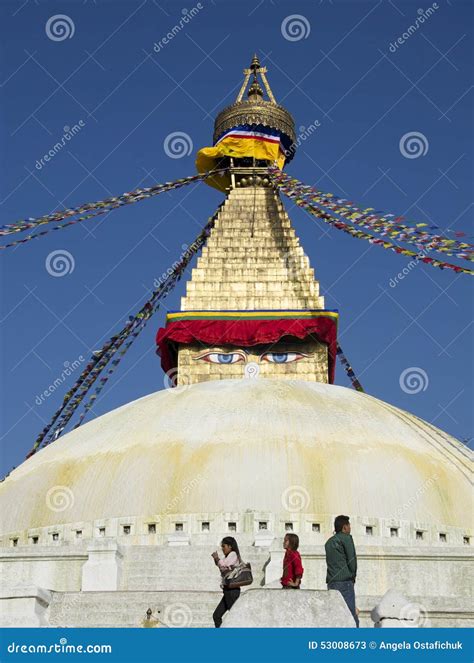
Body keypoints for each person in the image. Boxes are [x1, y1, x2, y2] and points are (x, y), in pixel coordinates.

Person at [325, 514, 359, 627]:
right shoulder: (346, 538)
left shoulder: (328, 542)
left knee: (335, 613)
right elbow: (352, 560)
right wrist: (353, 576)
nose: (350, 528)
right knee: (350, 613)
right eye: (349, 526)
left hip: (332, 582)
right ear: (344, 527)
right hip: (345, 582)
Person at [211, 536, 242, 627]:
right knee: (216, 615)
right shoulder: (228, 556)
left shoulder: (233, 554)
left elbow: (223, 564)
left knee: (235, 616)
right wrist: (216, 559)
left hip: (232, 590)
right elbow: (221, 566)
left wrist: (217, 558)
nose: (222, 548)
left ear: (230, 546)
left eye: (224, 546)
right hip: (228, 590)